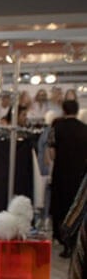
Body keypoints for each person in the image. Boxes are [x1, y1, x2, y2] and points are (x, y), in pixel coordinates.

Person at [49, 99, 87, 260]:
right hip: (80, 175)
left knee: (61, 207)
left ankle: (65, 242)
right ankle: (76, 240)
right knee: (77, 207)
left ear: (63, 110)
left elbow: (51, 153)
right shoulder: (85, 129)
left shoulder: (57, 128)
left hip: (61, 173)